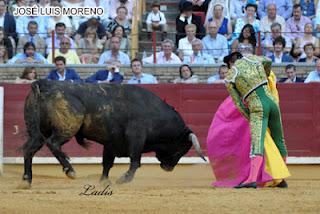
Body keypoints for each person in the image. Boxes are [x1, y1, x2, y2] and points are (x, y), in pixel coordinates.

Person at [211, 52, 289, 188]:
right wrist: (265, 74)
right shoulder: (253, 59)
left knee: (256, 143)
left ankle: (251, 179)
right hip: (272, 102)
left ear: (230, 64)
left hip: (258, 107)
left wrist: (249, 116)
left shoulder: (230, 76)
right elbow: (268, 61)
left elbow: (238, 103)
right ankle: (281, 178)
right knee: (279, 140)